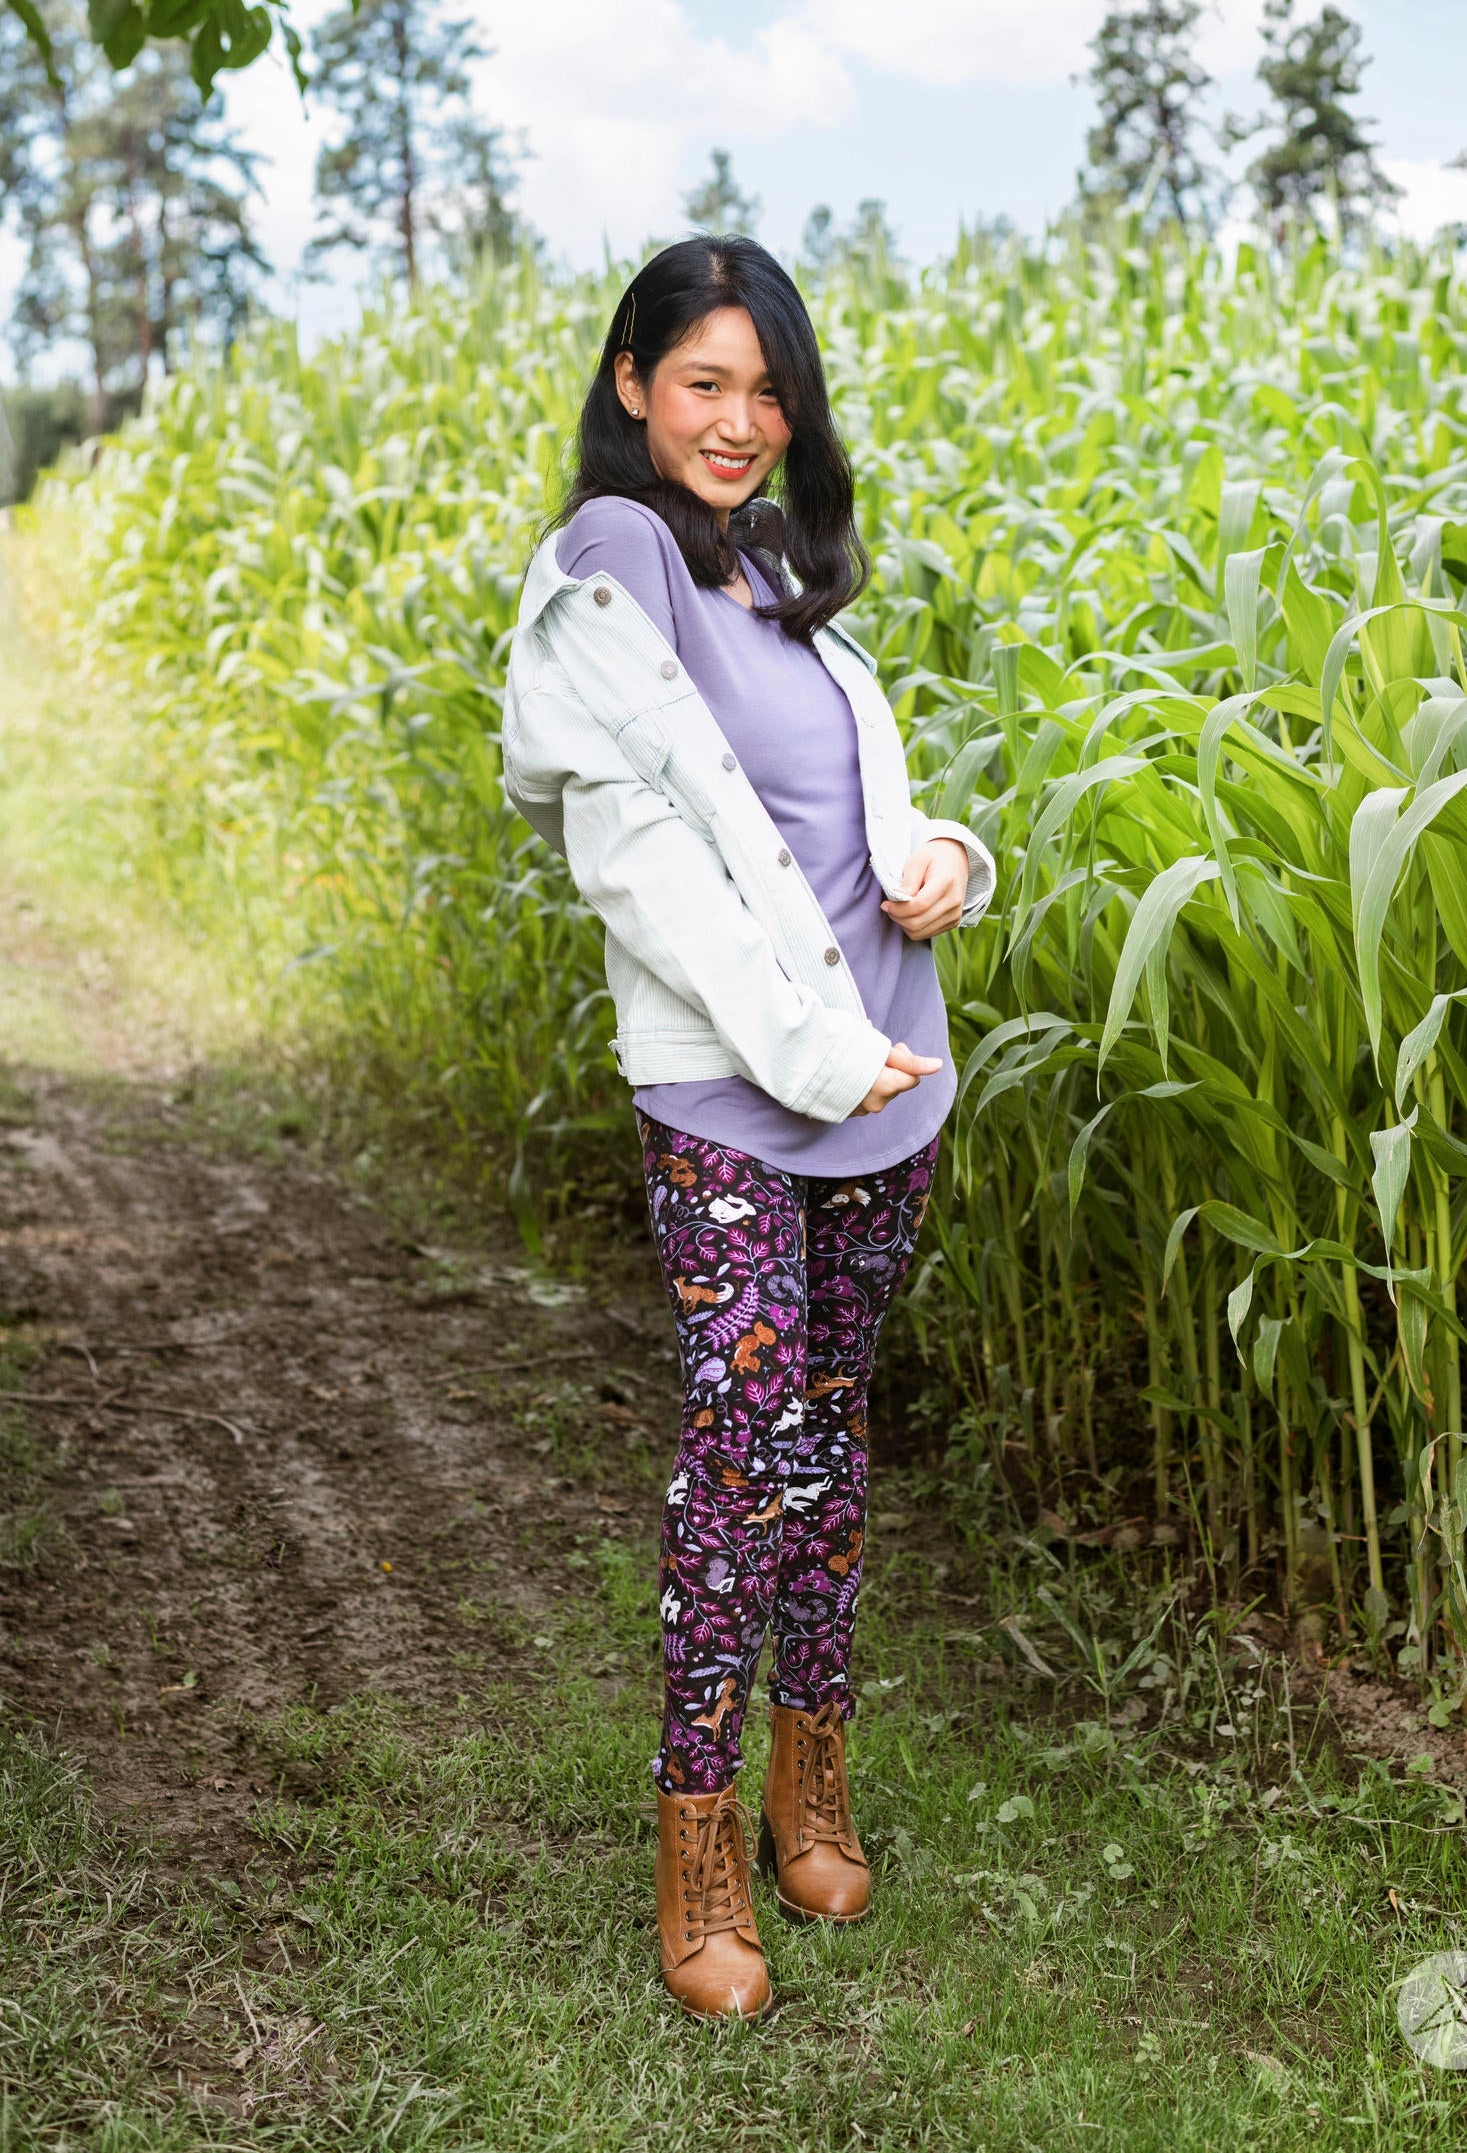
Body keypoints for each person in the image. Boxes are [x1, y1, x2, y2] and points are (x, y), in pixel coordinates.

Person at [501, 234, 994, 2021]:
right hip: (738, 1081)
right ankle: (698, 1838)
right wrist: (808, 1046)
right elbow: (640, 862)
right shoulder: (611, 559)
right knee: (741, 1446)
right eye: (703, 382)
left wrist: (949, 865)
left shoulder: (769, 563)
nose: (738, 420)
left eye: (767, 390)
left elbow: (844, 811)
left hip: (884, 1074)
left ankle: (813, 1778)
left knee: (832, 1434)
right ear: (632, 384)